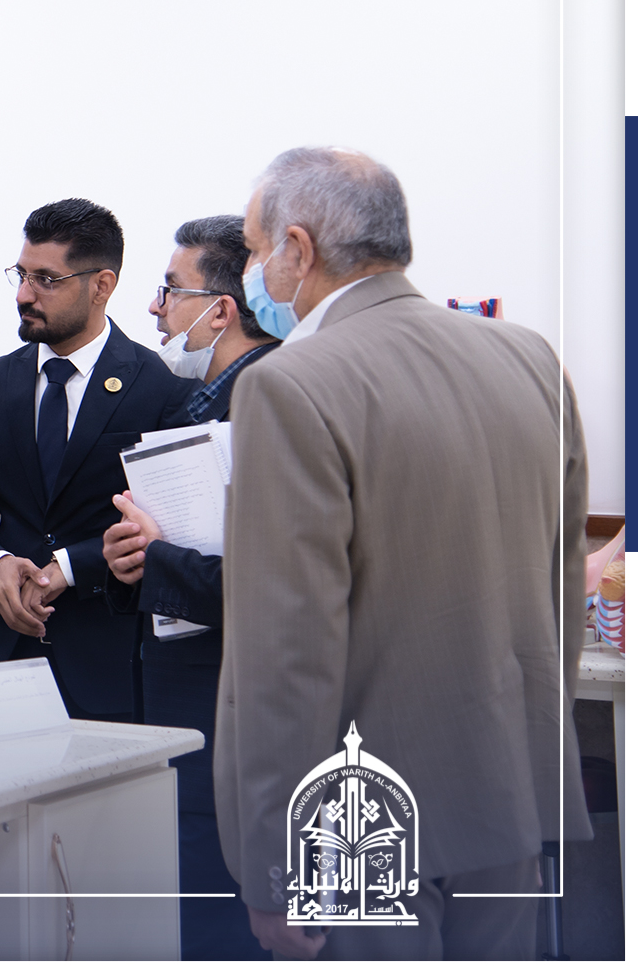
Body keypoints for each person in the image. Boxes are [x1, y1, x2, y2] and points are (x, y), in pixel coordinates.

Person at [215, 147, 589, 960]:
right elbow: (560, 591)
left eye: (253, 247)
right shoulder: (531, 360)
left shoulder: (290, 384)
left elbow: (287, 652)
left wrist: (277, 867)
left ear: (299, 249)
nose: (249, 271)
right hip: (508, 799)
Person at [0, 198, 194, 721]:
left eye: (47, 280)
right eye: (21, 275)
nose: (24, 295)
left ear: (102, 285)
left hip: (108, 660)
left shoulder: (160, 386)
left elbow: (168, 525)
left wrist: (67, 569)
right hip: (2, 652)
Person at [101, 213, 277, 960]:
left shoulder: (268, 404)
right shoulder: (194, 405)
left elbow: (266, 584)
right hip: (186, 693)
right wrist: (129, 557)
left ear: (221, 310)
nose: (154, 308)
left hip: (229, 706)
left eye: (170, 290)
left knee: (218, 927)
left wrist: (159, 560)